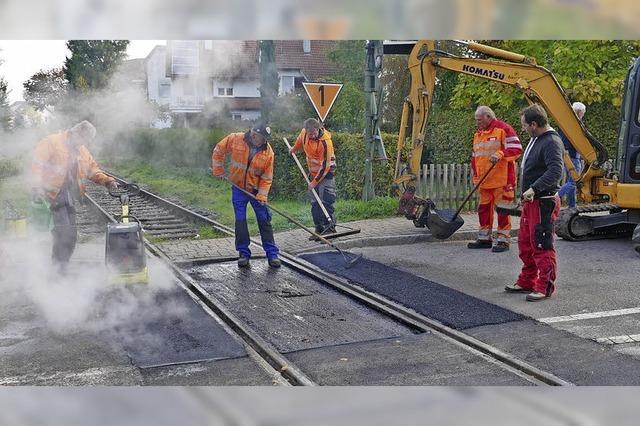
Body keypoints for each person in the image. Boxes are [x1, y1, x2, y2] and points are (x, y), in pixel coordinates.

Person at [31, 120, 118, 272]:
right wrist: (37, 187)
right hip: (50, 195)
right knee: (63, 232)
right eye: (85, 140)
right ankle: (58, 269)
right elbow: (38, 164)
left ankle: (62, 265)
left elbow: (93, 171)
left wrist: (108, 181)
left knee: (71, 235)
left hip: (68, 196)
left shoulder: (82, 150)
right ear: (77, 133)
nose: (85, 144)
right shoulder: (51, 142)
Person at [505, 104, 564, 302]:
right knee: (525, 243)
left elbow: (555, 171)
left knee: (541, 243)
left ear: (534, 124)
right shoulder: (537, 139)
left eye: (524, 125)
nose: (522, 129)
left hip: (543, 201)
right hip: (532, 202)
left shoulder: (551, 142)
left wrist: (534, 188)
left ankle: (544, 286)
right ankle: (527, 281)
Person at [211, 122, 281, 268]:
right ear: (254, 135)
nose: (265, 141)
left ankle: (272, 254)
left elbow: (267, 177)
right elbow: (219, 150)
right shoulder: (235, 138)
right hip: (238, 188)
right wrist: (218, 169)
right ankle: (243, 254)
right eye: (263, 138)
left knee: (264, 220)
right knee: (240, 221)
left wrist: (262, 195)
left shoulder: (268, 152)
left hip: (256, 191)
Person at [467, 106, 523, 253]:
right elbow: (475, 158)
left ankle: (503, 241)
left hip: (502, 180)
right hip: (484, 181)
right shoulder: (478, 134)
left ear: (488, 117)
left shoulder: (504, 129)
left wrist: (501, 153)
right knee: (483, 210)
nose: (477, 123)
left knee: (503, 210)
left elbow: (517, 149)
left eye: (479, 120)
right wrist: (476, 176)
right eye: (476, 120)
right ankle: (484, 238)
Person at [290, 118, 337, 236]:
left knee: (326, 200)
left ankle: (329, 228)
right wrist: (294, 149)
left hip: (326, 174)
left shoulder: (325, 143)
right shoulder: (304, 134)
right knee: (315, 202)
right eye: (309, 134)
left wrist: (314, 182)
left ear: (318, 129)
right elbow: (300, 141)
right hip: (313, 173)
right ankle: (319, 228)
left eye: (313, 133)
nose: (311, 136)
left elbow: (325, 166)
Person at [557, 102, 586, 208]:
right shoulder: (575, 124)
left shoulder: (564, 123)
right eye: (583, 113)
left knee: (571, 181)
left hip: (565, 155)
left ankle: (572, 206)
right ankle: (556, 195)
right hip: (573, 156)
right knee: (574, 181)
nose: (583, 115)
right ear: (579, 112)